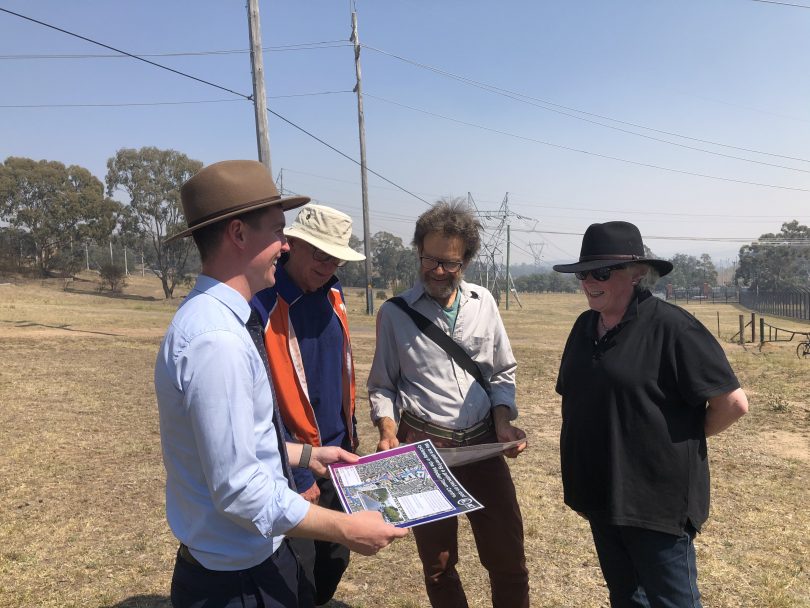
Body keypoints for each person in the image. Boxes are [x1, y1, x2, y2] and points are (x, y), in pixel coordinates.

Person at [154, 160, 406, 608]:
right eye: (276, 231)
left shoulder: (217, 323)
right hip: (237, 577)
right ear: (237, 234)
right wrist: (347, 527)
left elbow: (239, 447)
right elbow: (239, 488)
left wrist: (308, 454)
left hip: (243, 559)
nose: (284, 244)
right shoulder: (218, 342)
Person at [553, 221, 749, 608]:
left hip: (655, 500)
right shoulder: (584, 327)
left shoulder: (674, 328)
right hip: (602, 494)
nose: (590, 281)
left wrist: (679, 438)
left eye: (603, 272)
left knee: (671, 602)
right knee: (625, 598)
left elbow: (733, 403)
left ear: (637, 274)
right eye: (584, 273)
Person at [367, 199, 530, 608]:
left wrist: (504, 421)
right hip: (423, 450)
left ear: (467, 262)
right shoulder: (394, 314)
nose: (438, 271)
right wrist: (388, 432)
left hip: (483, 446)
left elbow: (500, 374)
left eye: (450, 263)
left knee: (508, 559)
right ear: (418, 251)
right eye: (430, 259)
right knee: (438, 567)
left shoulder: (484, 303)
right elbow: (383, 386)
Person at [251, 203, 365, 606]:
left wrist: (352, 438)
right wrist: (297, 476)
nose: (328, 265)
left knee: (334, 559)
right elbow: (259, 403)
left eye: (336, 258)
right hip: (293, 463)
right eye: (320, 254)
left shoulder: (333, 292)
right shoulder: (262, 303)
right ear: (293, 243)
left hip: (339, 454)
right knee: (296, 574)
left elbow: (340, 371)